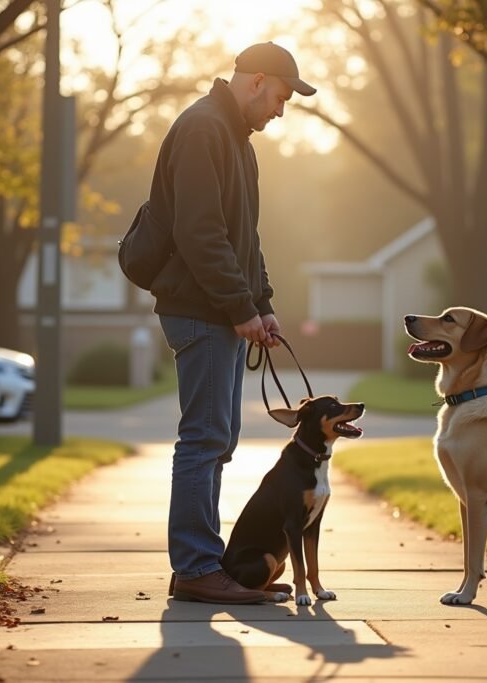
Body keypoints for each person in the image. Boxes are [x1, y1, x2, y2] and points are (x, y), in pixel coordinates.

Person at [146, 42, 317, 604]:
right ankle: (196, 567)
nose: (281, 110)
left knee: (220, 438)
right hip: (198, 310)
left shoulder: (236, 142)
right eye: (280, 97)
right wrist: (240, 306)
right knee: (204, 439)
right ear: (256, 81)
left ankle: (203, 564)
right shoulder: (203, 130)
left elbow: (245, 236)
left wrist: (260, 302)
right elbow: (200, 234)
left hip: (217, 308)